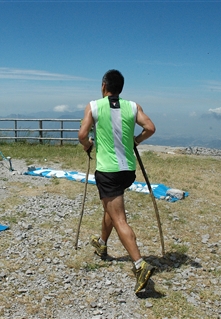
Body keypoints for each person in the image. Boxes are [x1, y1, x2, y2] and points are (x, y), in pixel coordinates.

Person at [78, 69, 156, 295]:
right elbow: (150, 128)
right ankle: (101, 243)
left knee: (119, 217)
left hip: (108, 171)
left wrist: (89, 146)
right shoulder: (133, 106)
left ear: (104, 86)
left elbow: (82, 135)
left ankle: (139, 264)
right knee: (111, 208)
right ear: (121, 88)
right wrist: (135, 141)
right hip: (127, 170)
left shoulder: (94, 106)